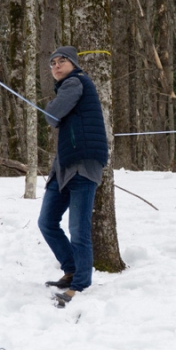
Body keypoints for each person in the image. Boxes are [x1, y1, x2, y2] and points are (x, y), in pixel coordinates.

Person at [38, 46, 108, 304]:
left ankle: (80, 284)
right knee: (47, 222)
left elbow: (53, 115)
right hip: (64, 166)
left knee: (78, 229)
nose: (56, 66)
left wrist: (50, 107)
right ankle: (71, 269)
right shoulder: (68, 86)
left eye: (62, 61)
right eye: (52, 62)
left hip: (83, 164)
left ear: (74, 64)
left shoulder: (75, 82)